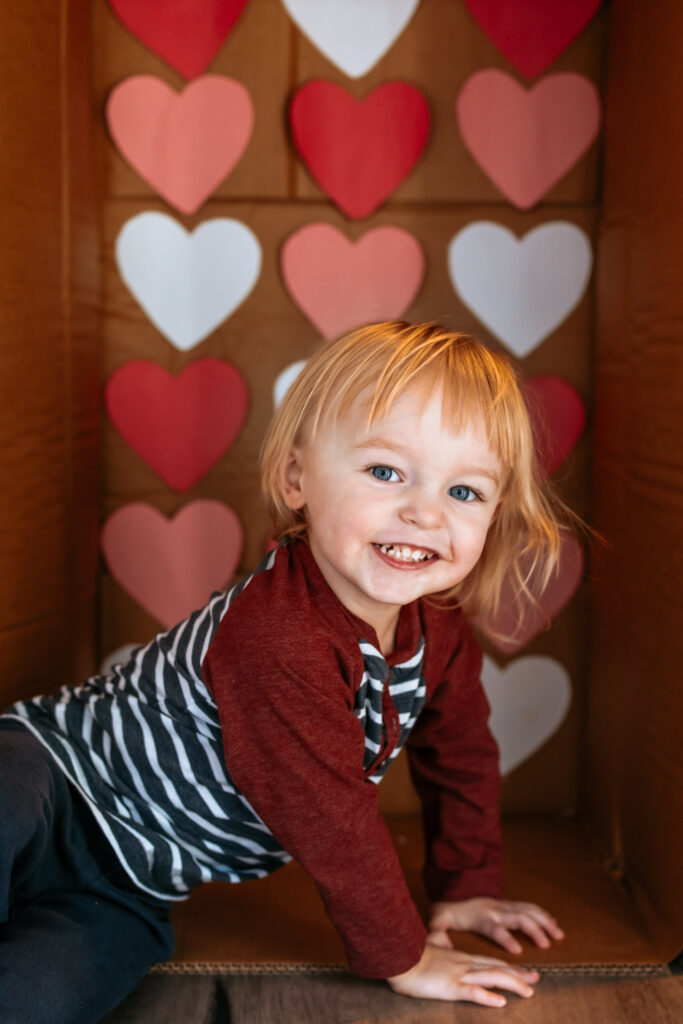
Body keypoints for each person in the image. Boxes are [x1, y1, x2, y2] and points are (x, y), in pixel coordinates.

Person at [1, 321, 572, 1022]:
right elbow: (328, 815)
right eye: (385, 472)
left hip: (131, 881)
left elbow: (460, 755)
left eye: (465, 492)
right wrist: (406, 957)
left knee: (37, 998)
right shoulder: (278, 635)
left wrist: (466, 883)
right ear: (297, 479)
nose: (424, 512)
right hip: (52, 778)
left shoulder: (441, 632)